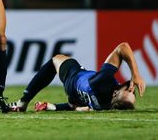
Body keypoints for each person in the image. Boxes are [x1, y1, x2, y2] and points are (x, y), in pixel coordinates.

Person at [10, 42, 146, 112]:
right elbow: (80, 107)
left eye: (128, 91)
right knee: (77, 105)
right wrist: (78, 108)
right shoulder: (107, 107)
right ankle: (54, 107)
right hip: (78, 98)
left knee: (55, 59)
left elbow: (123, 47)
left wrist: (136, 74)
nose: (131, 89)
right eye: (133, 92)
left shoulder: (105, 81)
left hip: (74, 77)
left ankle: (23, 102)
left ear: (115, 92)